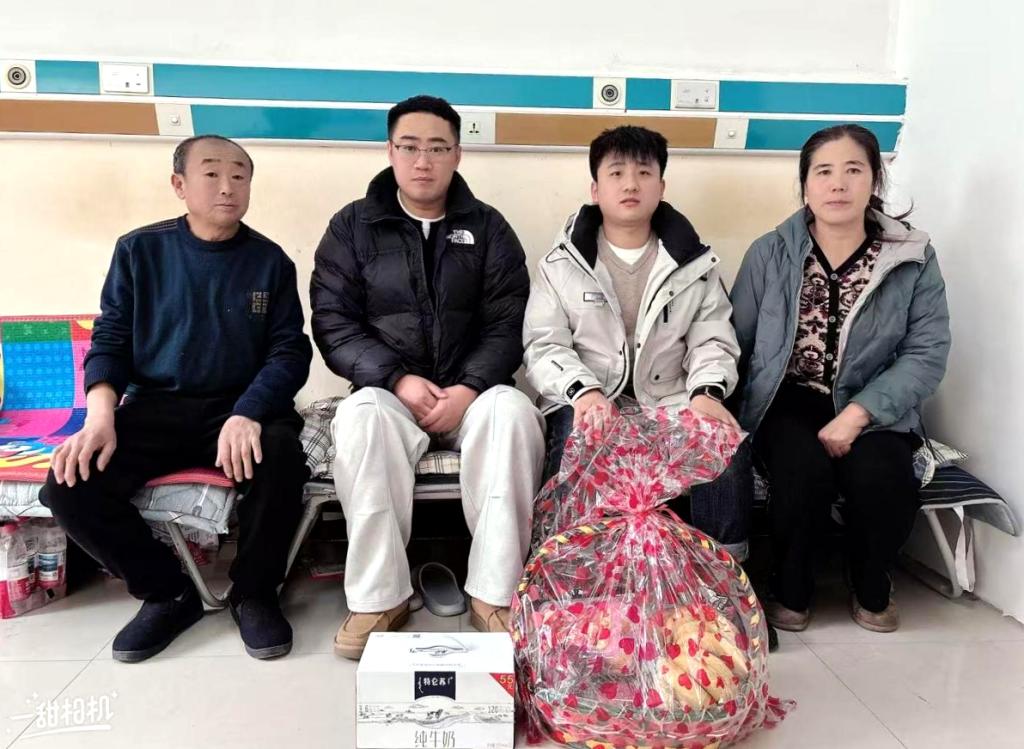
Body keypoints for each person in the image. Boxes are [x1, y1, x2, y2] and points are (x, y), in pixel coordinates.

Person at [39, 134, 313, 661]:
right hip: (157, 407)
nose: (228, 186)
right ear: (179, 184)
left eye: (239, 176)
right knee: (71, 484)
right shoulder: (139, 250)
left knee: (281, 458)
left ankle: (254, 593)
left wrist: (249, 411)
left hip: (240, 408)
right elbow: (110, 340)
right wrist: (100, 416)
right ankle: (167, 592)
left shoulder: (270, 261)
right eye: (211, 173)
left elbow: (288, 352)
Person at [310, 95, 545, 659]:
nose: (423, 161)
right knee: (360, 417)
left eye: (438, 148)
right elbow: (333, 322)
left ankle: (495, 594)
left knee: (514, 414)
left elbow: (510, 320)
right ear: (390, 150)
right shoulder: (352, 227)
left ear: (457, 155)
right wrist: (398, 380)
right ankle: (379, 598)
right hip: (391, 392)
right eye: (410, 147)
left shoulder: (488, 227)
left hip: (474, 392)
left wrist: (468, 389)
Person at [730, 124, 951, 633]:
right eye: (823, 172)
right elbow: (735, 340)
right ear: (805, 185)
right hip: (787, 400)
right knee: (801, 472)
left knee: (883, 476)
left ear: (875, 180)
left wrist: (859, 413)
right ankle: (791, 586)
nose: (838, 184)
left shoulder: (912, 257)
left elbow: (926, 352)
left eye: (853, 170)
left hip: (876, 403)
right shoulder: (770, 252)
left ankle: (870, 581)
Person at [523, 125, 751, 560]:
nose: (630, 184)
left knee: (725, 446)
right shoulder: (560, 265)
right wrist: (584, 392)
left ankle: (724, 577)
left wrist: (705, 393)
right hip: (588, 398)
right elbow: (544, 344)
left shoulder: (695, 264)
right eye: (616, 173)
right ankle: (574, 573)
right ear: (595, 190)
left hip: (671, 399)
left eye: (644, 173)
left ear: (661, 187)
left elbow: (713, 339)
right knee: (575, 445)